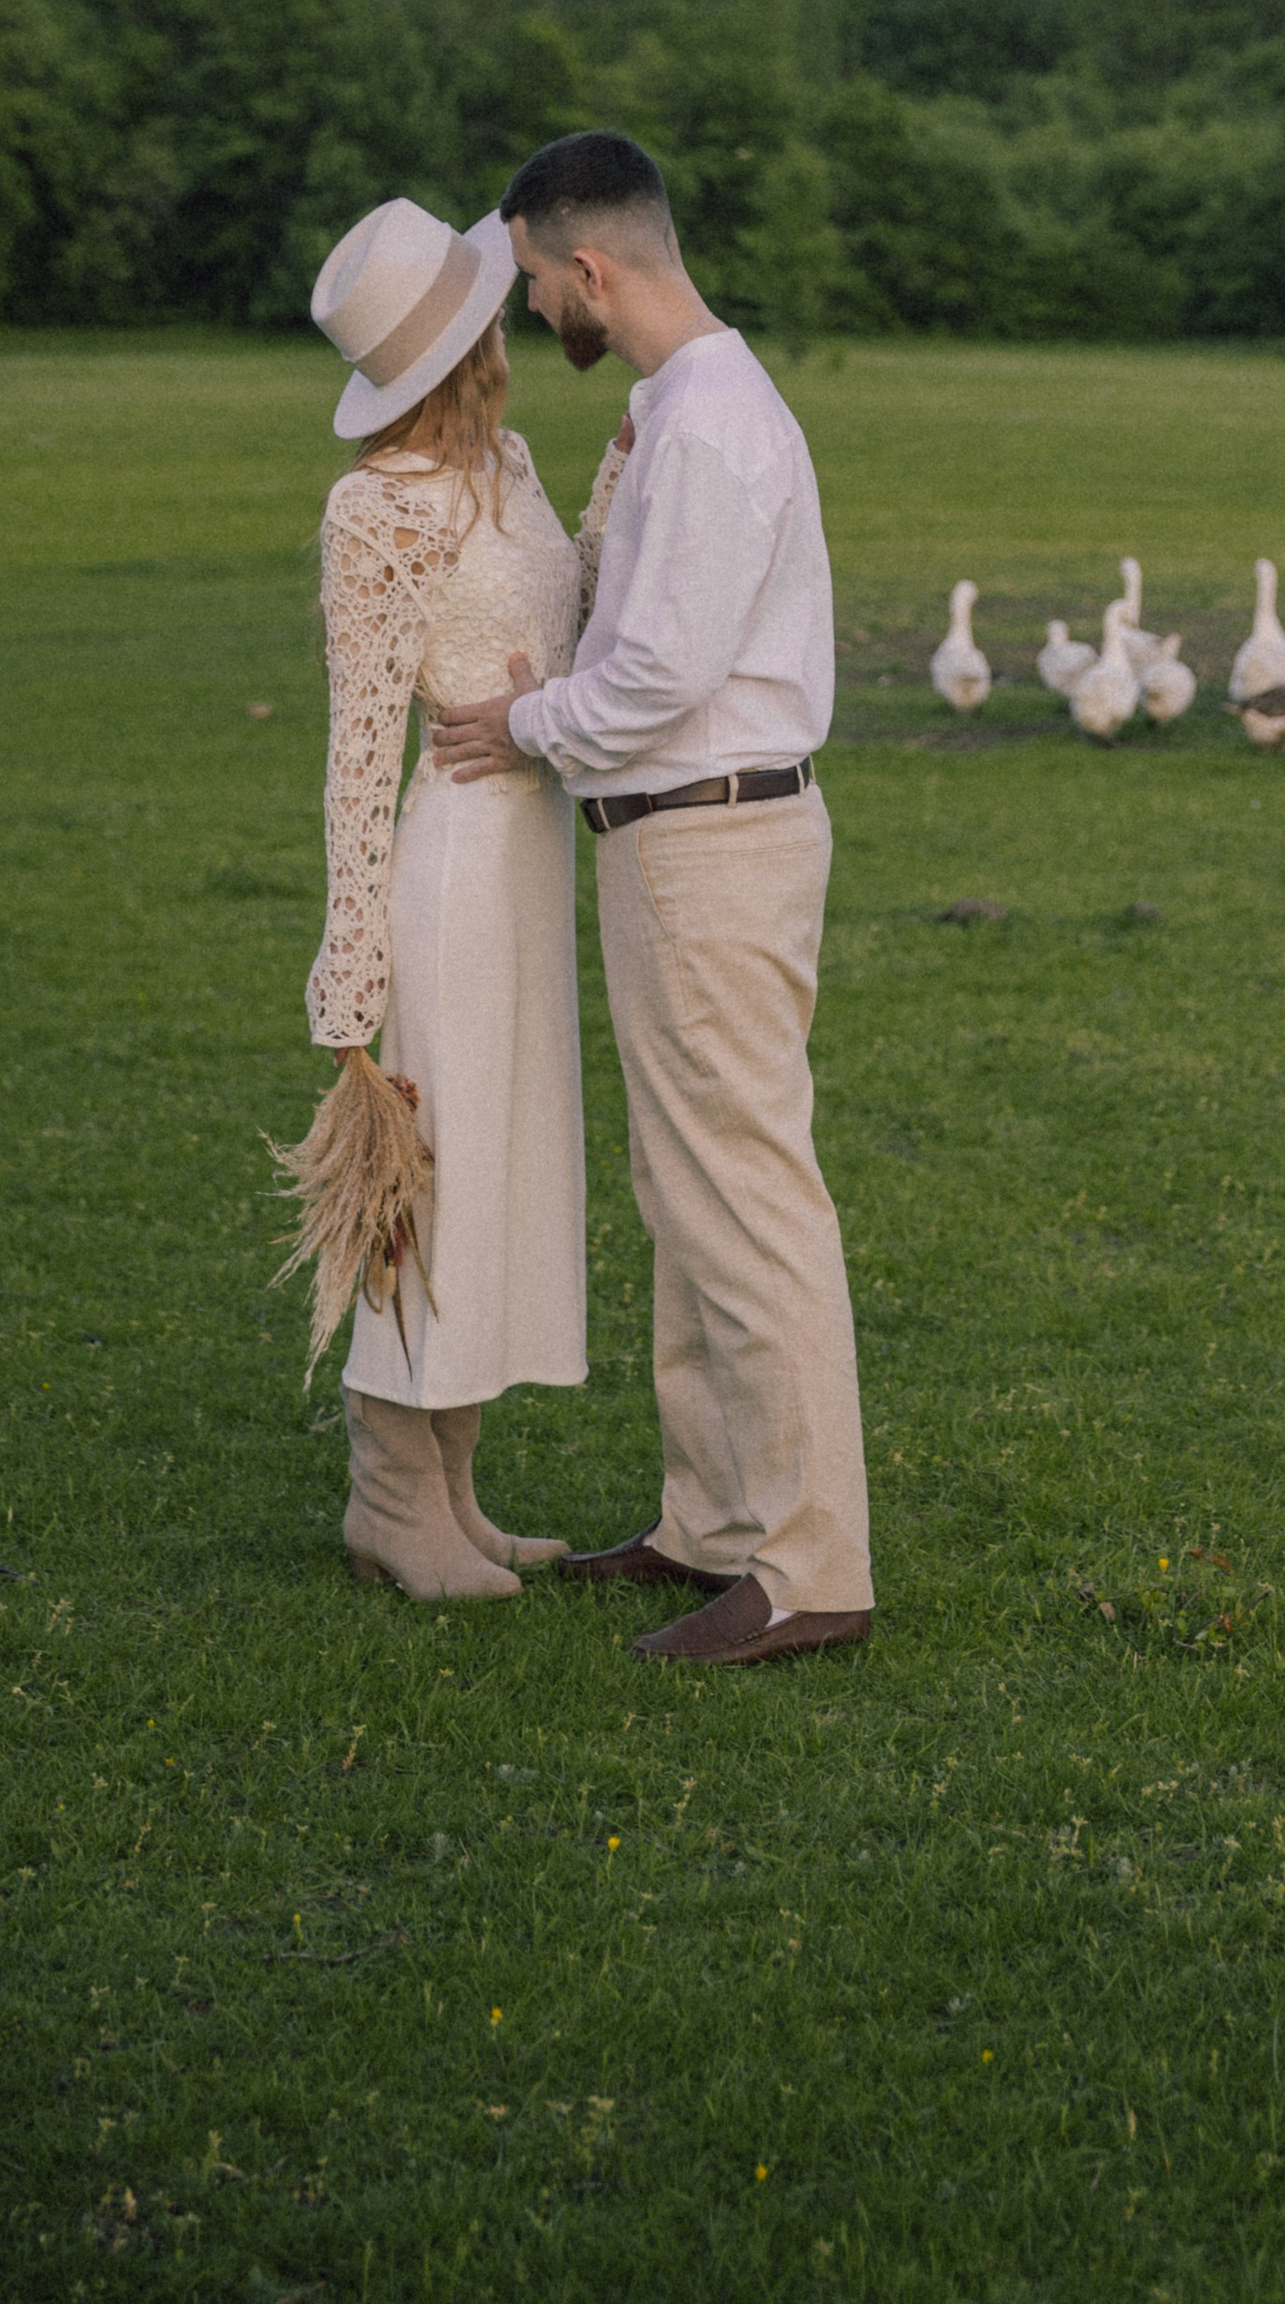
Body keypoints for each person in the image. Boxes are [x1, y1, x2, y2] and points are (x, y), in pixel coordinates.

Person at [431, 130, 872, 1670]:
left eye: (539, 279)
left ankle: (811, 1567)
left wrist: (519, 726)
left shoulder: (708, 426)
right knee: (688, 1196)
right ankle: (711, 1520)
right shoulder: (679, 408)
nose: (535, 307)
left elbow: (661, 677)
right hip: (678, 835)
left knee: (747, 1198)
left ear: (591, 268)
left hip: (709, 835)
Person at [305, 197, 587, 1598]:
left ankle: (456, 1493)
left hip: (536, 859)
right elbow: (362, 752)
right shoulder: (375, 510)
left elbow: (568, 625)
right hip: (453, 874)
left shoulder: (517, 461)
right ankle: (389, 1500)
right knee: (437, 1179)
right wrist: (351, 977)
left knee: (506, 1169)